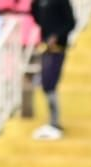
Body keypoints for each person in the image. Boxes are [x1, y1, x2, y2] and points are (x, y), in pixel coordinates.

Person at [30, 0, 75, 140]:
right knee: (46, 84)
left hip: (58, 48)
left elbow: (71, 22)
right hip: (46, 47)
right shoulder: (39, 2)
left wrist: (57, 36)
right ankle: (52, 121)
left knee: (50, 83)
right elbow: (36, 15)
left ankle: (54, 122)